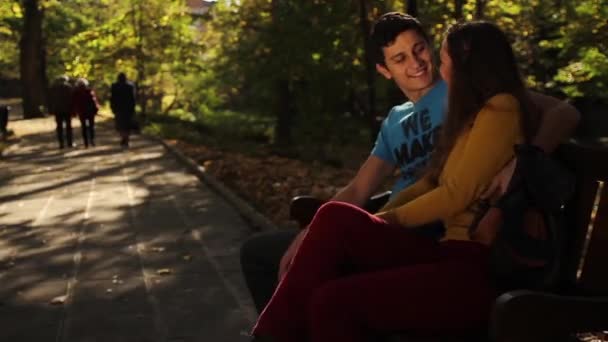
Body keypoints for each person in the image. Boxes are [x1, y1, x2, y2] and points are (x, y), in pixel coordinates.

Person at [240, 12, 581, 315]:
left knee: (314, 277)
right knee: (259, 253)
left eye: (420, 48)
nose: (416, 63)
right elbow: (360, 188)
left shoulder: (463, 90)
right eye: (400, 58)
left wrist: (523, 163)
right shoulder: (395, 120)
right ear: (384, 70)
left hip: (436, 229)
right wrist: (311, 232)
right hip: (392, 221)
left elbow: (564, 112)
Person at [110, 72, 136, 148]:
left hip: (119, 109)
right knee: (127, 125)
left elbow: (112, 98)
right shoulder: (130, 86)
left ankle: (124, 138)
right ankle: (126, 139)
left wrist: (112, 108)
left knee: (121, 125)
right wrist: (133, 108)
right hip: (127, 109)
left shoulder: (114, 86)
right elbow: (133, 99)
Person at [48, 75, 74, 149]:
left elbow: (50, 100)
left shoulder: (54, 88)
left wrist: (51, 110)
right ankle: (70, 143)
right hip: (67, 110)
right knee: (68, 127)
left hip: (58, 110)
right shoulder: (69, 87)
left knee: (59, 127)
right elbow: (72, 99)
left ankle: (61, 144)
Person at [72, 78, 100, 148]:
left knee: (84, 127)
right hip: (90, 112)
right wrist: (96, 109)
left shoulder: (76, 93)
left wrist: (74, 112)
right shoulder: (89, 91)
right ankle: (92, 140)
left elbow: (74, 103)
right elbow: (94, 101)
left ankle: (86, 143)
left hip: (82, 112)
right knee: (91, 127)